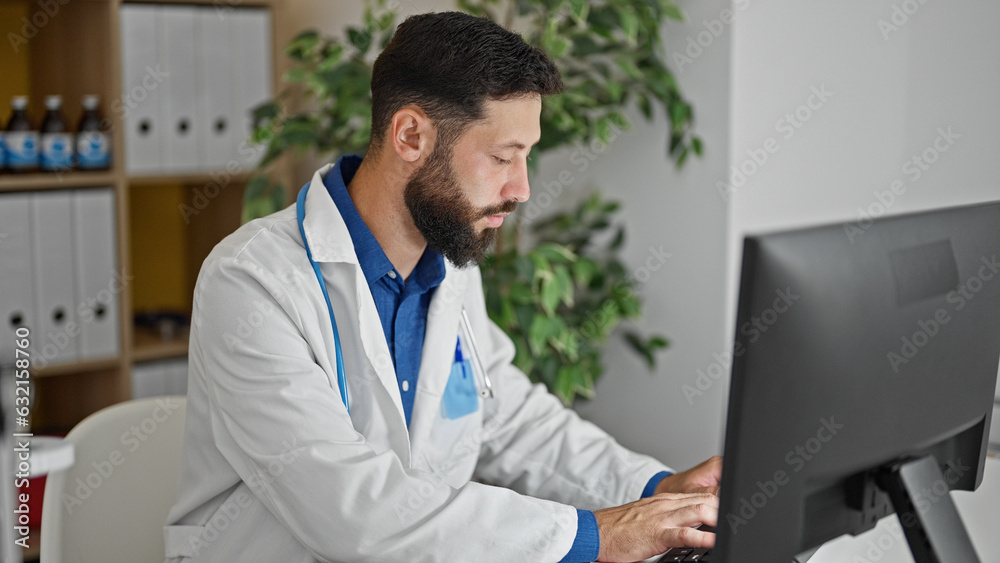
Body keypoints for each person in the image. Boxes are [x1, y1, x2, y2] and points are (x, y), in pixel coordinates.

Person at [164, 11, 720, 563]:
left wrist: (658, 490)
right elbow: (348, 510)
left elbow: (508, 418)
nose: (522, 189)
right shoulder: (251, 283)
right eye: (503, 157)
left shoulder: (448, 258)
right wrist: (597, 535)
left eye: (526, 157)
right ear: (411, 136)